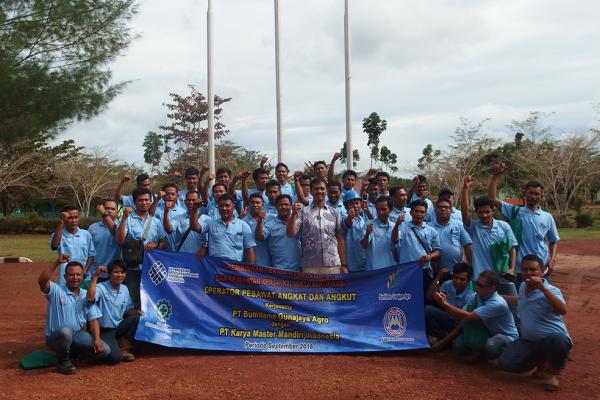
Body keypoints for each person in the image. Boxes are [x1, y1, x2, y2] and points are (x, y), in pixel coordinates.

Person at [499, 255, 572, 392]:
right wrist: (500, 297)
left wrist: (543, 289)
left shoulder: (552, 290)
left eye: (533, 270)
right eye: (525, 269)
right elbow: (521, 300)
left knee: (559, 339)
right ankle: (542, 361)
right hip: (529, 341)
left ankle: (553, 373)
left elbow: (562, 310)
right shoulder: (522, 286)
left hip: (551, 339)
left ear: (543, 270)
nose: (528, 273)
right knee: (506, 363)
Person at [39, 255, 110, 374]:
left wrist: (97, 339)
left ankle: (76, 355)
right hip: (56, 338)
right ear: (65, 276)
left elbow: (93, 319)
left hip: (77, 335)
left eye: (78, 275)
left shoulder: (86, 295)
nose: (75, 278)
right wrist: (56, 262)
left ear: (83, 277)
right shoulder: (56, 291)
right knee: (65, 332)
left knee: (106, 350)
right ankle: (62, 361)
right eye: (71, 275)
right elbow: (42, 281)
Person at [488, 163, 559, 280]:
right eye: (530, 193)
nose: (533, 196)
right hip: (520, 268)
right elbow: (492, 198)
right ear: (525, 194)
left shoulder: (547, 217)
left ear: (541, 197)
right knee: (521, 297)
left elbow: (554, 240)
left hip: (540, 268)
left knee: (540, 297)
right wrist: (496, 175)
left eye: (537, 194)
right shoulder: (514, 211)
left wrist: (552, 260)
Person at [434, 270, 519, 360]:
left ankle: (497, 356)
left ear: (492, 288)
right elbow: (462, 318)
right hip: (488, 332)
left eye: (481, 285)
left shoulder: (497, 303)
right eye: (477, 283)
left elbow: (469, 316)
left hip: (506, 337)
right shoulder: (475, 296)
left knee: (491, 346)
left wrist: (444, 304)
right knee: (459, 346)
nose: (477, 287)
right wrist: (444, 341)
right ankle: (479, 351)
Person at [461, 176, 518, 298]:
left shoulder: (504, 226)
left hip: (504, 277)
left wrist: (512, 269)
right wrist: (465, 189)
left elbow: (512, 248)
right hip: (482, 279)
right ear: (476, 212)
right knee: (482, 310)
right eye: (480, 212)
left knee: (513, 307)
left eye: (487, 211)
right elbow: (465, 212)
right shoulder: (474, 226)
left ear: (493, 210)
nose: (484, 215)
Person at [115, 187, 167, 309]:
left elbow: (163, 242)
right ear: (134, 202)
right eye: (140, 200)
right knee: (133, 302)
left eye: (147, 200)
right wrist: (123, 218)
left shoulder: (156, 221)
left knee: (150, 301)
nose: (144, 203)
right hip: (132, 268)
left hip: (151, 268)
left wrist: (157, 245)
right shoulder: (127, 218)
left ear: (150, 201)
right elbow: (119, 240)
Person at [287, 177, 347, 274]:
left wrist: (344, 264)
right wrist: (293, 214)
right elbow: (291, 233)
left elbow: (340, 239)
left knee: (332, 290)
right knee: (311, 290)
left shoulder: (335, 213)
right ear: (311, 191)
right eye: (316, 189)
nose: (319, 191)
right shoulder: (303, 212)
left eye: (322, 188)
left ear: (326, 190)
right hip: (310, 266)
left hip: (332, 264)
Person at [87, 260, 142, 363]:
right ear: (109, 274)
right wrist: (95, 276)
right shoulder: (101, 287)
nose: (119, 275)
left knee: (138, 319)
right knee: (115, 358)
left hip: (118, 327)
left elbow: (127, 310)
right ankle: (93, 351)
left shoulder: (124, 289)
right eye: (116, 272)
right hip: (104, 330)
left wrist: (137, 312)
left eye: (122, 272)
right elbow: (90, 297)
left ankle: (123, 347)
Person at [392, 199, 441, 297]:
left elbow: (438, 251)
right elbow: (394, 240)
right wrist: (397, 224)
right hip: (406, 271)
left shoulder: (431, 231)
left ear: (426, 214)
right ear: (411, 212)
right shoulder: (402, 227)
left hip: (424, 271)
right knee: (407, 299)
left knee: (423, 300)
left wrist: (430, 257)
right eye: (416, 211)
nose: (419, 214)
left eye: (422, 212)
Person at [191, 194, 256, 263]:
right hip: (215, 267)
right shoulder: (211, 223)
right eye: (221, 206)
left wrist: (251, 271)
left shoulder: (243, 225)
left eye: (227, 205)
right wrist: (194, 209)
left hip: (234, 268)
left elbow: (249, 249)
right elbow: (195, 227)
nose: (224, 208)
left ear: (233, 206)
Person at [425, 262, 474, 345]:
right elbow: (429, 296)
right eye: (455, 277)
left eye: (462, 279)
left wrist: (444, 304)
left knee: (459, 346)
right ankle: (441, 338)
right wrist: (439, 277)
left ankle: (445, 341)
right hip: (447, 319)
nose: (458, 281)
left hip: (460, 326)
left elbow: (460, 319)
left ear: (468, 280)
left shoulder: (471, 295)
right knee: (428, 310)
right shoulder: (448, 284)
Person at [50, 205, 95, 286]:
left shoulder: (86, 234)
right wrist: (61, 222)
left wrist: (84, 270)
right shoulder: (59, 235)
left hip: (84, 278)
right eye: (70, 218)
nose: (74, 220)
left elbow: (91, 255)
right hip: (65, 279)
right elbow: (55, 246)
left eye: (76, 217)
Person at [258, 194, 302, 271]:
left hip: (298, 267)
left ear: (291, 206)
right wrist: (259, 221)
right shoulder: (270, 223)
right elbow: (260, 237)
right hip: (278, 269)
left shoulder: (298, 221)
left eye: (286, 204)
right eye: (280, 205)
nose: (284, 207)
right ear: (276, 207)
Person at [431, 198, 473, 275]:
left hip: (456, 272)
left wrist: (470, 265)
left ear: (451, 210)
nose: (443, 209)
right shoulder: (429, 227)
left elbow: (468, 246)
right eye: (440, 207)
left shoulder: (459, 225)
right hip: (435, 272)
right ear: (435, 210)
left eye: (446, 207)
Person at [88, 200, 120, 281]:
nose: (109, 211)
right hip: (95, 272)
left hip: (116, 273)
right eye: (106, 208)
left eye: (112, 209)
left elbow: (116, 232)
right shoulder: (92, 228)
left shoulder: (122, 226)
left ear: (117, 211)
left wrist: (104, 214)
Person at [361, 196, 396, 270]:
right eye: (378, 209)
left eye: (384, 209)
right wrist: (367, 234)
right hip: (374, 270)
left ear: (390, 210)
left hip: (391, 269)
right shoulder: (369, 224)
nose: (380, 212)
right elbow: (364, 245)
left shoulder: (394, 226)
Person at [242, 193, 272, 266]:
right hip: (247, 263)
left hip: (267, 263)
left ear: (263, 205)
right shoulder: (242, 221)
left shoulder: (271, 218)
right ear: (248, 205)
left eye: (258, 203)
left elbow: (261, 237)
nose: (255, 205)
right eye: (252, 203)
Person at [342, 190, 368, 272]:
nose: (355, 206)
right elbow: (347, 223)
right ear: (346, 206)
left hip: (364, 263)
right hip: (351, 265)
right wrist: (350, 218)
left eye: (357, 203)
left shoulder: (362, 219)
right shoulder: (343, 217)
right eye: (351, 204)